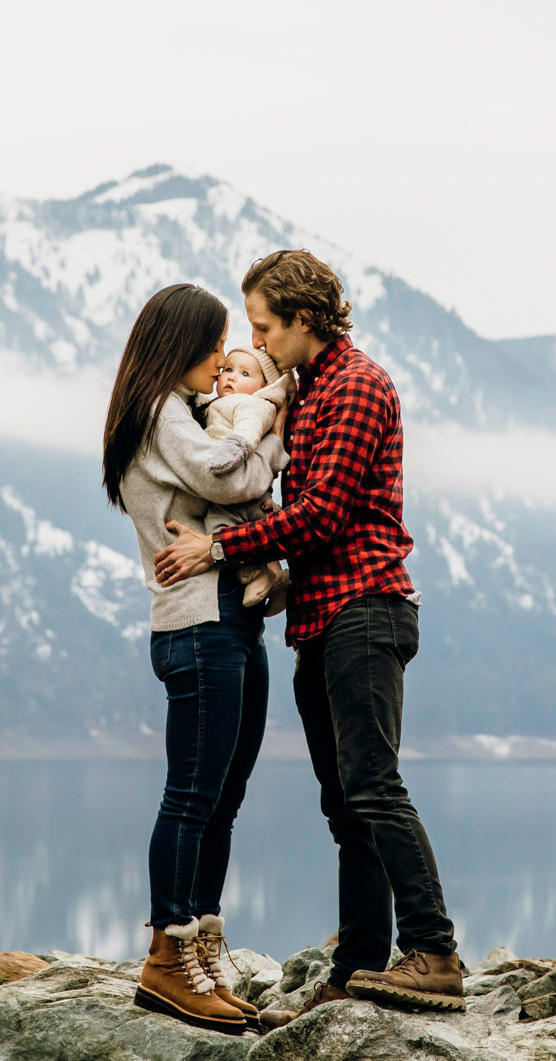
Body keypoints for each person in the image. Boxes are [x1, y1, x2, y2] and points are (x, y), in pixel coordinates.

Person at [154, 249, 464, 1022]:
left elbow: (323, 511)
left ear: (302, 318)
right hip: (323, 617)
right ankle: (359, 966)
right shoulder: (309, 389)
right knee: (344, 804)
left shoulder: (357, 384)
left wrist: (218, 546)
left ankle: (434, 949)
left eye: (263, 324)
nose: (254, 339)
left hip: (366, 608)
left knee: (373, 785)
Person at [103, 283, 288, 1036]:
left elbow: (232, 483)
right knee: (192, 792)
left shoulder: (182, 413)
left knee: (223, 795)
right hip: (198, 622)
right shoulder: (160, 413)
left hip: (231, 622)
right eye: (214, 344)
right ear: (179, 343)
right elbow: (229, 477)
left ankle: (203, 954)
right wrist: (269, 432)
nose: (223, 360)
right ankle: (167, 960)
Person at [199, 344, 294, 608]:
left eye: (244, 374)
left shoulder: (253, 404)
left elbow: (248, 431)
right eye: (228, 369)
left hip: (235, 477)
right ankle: (276, 577)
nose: (230, 376)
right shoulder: (223, 403)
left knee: (217, 527)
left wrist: (234, 448)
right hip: (247, 486)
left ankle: (254, 575)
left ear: (265, 386)